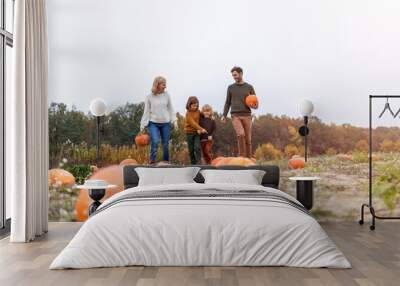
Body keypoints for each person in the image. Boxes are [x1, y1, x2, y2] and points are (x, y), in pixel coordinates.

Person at [221, 66, 258, 158]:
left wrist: (254, 106)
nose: (234, 77)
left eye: (236, 75)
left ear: (241, 74)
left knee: (248, 140)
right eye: (233, 75)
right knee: (241, 134)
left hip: (247, 115)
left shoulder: (249, 87)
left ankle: (249, 159)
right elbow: (227, 102)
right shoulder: (230, 88)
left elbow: (255, 104)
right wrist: (224, 115)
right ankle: (242, 156)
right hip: (235, 115)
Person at [140, 76, 175, 164]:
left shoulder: (167, 95)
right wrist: (143, 125)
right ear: (157, 85)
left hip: (166, 123)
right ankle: (152, 162)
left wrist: (174, 120)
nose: (165, 86)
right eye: (163, 84)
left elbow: (171, 109)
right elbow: (146, 111)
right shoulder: (149, 97)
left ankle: (166, 162)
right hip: (153, 123)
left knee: (165, 144)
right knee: (155, 141)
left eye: (165, 85)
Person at [184, 96, 207, 164]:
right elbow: (192, 123)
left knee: (197, 147)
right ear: (189, 105)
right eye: (194, 106)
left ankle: (199, 162)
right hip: (189, 133)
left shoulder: (198, 111)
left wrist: (210, 116)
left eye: (196, 106)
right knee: (191, 150)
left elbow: (203, 116)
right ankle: (193, 164)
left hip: (196, 133)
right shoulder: (188, 113)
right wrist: (201, 129)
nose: (195, 107)